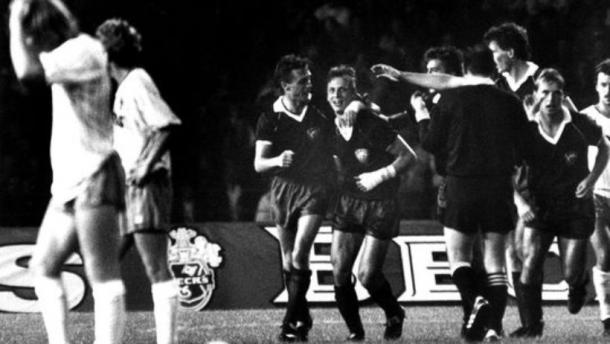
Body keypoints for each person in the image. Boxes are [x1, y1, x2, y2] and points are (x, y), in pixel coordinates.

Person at [8, 1, 125, 343]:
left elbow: (26, 73)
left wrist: (16, 18)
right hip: (70, 182)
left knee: (103, 276)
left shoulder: (82, 50)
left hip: (94, 175)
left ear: (41, 33)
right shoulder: (73, 51)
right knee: (43, 267)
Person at [408, 48, 531, 342]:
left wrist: (421, 114)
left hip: (461, 185)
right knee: (494, 263)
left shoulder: (451, 99)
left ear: (464, 68)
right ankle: (491, 328)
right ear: (494, 70)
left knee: (459, 259)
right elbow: (526, 147)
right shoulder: (510, 101)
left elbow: (430, 142)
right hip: (499, 187)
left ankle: (475, 300)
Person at [96, 18, 182, 344]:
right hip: (128, 189)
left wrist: (145, 166)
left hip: (147, 185)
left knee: (156, 267)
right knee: (104, 264)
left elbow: (167, 125)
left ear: (107, 54)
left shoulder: (137, 82)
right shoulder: (124, 87)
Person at [512, 68, 610, 338]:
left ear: (563, 96)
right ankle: (533, 327)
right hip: (539, 207)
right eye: (545, 93)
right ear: (536, 96)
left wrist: (591, 179)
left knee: (570, 272)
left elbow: (604, 147)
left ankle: (577, 285)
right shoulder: (525, 131)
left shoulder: (581, 123)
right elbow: (507, 170)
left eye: (557, 94)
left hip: (575, 209)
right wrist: (520, 203)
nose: (551, 99)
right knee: (530, 263)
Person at [327, 65, 413, 341]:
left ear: (353, 92)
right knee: (339, 270)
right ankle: (356, 333)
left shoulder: (371, 123)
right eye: (331, 90)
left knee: (366, 274)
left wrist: (379, 176)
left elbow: (408, 156)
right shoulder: (332, 123)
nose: (336, 95)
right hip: (349, 202)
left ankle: (394, 312)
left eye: (342, 90)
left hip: (380, 203)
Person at [254, 54, 335, 342]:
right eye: (303, 81)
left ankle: (288, 322)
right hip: (282, 191)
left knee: (300, 253)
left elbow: (350, 108)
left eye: (310, 79)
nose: (309, 84)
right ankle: (302, 316)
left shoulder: (320, 112)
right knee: (288, 260)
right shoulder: (271, 119)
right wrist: (277, 159)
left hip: (314, 190)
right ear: (286, 87)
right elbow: (259, 164)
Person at [576, 59, 610, 336]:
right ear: (597, 86)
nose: (608, 90)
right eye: (604, 85)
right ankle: (607, 315)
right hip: (596, 196)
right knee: (605, 254)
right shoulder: (586, 118)